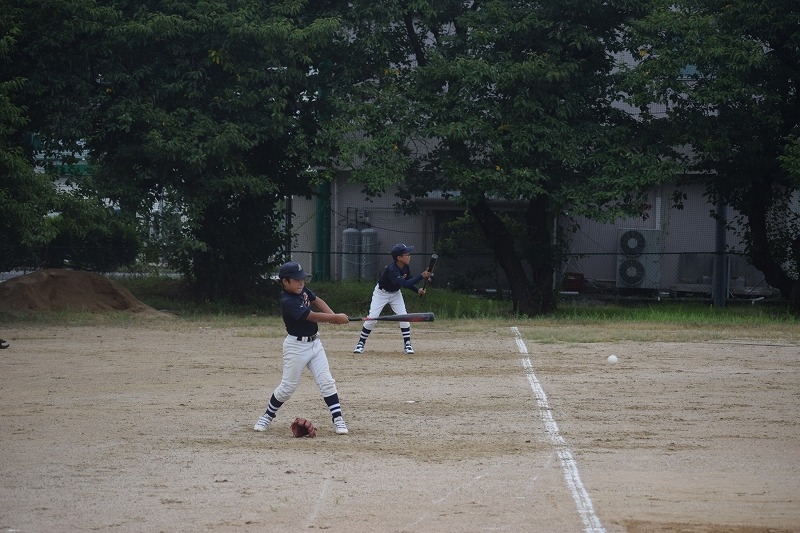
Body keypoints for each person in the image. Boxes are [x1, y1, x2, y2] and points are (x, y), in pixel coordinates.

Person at [254, 261, 351, 435]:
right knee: (287, 388)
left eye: (302, 279)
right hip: (296, 347)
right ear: (285, 281)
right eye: (296, 279)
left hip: (315, 343)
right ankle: (267, 415)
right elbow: (311, 316)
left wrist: (333, 316)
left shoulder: (302, 290)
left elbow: (316, 300)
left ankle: (338, 419)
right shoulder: (288, 301)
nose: (301, 282)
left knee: (327, 381)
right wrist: (335, 317)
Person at [353, 243, 432, 355]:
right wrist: (421, 276)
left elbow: (408, 282)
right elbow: (404, 284)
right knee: (372, 318)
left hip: (395, 294)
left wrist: (417, 290)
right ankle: (361, 343)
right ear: (399, 257)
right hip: (381, 293)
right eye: (407, 254)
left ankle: (407, 344)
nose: (409, 256)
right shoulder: (392, 269)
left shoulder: (405, 266)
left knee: (404, 316)